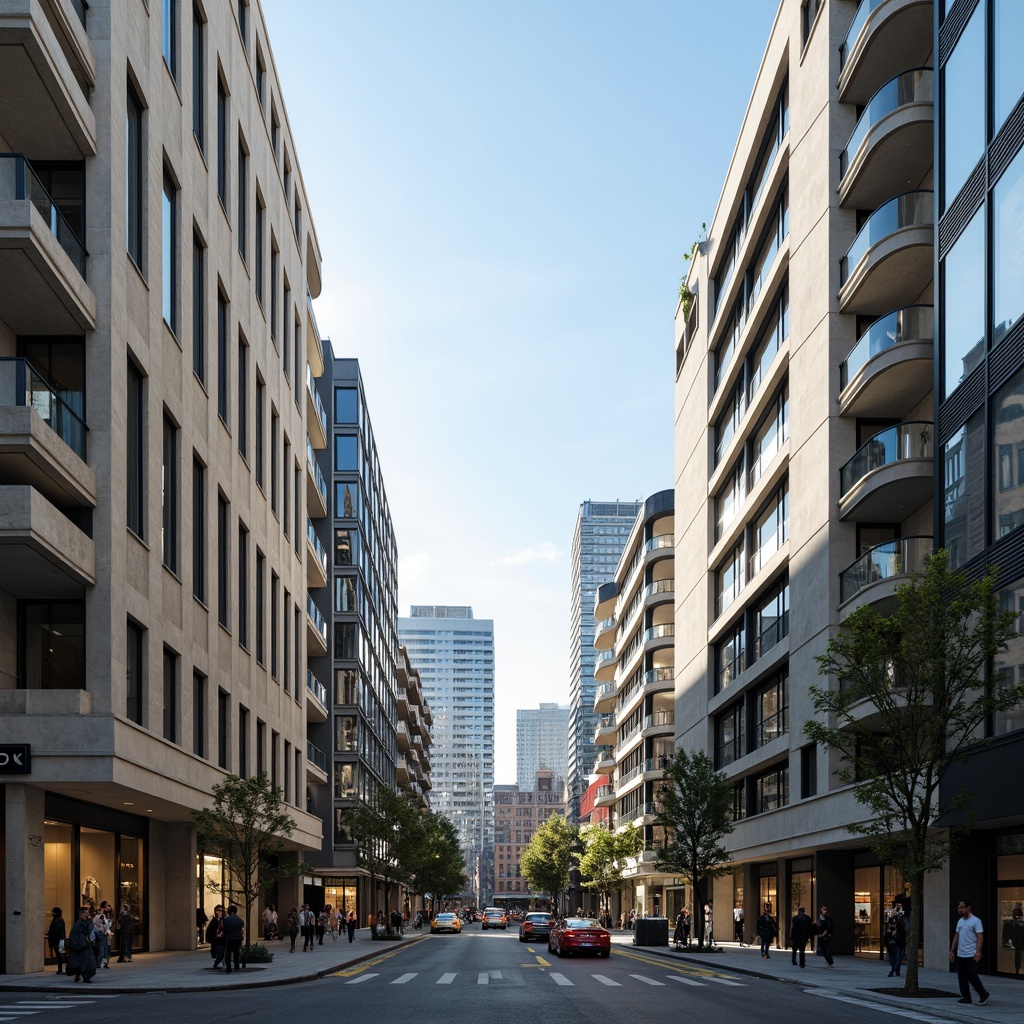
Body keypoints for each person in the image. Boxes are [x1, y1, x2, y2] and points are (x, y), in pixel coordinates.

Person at [949, 899, 990, 1005]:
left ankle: (983, 994)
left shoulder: (976, 921)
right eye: (959, 907)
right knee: (961, 977)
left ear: (969, 908)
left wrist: (978, 952)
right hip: (961, 953)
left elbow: (980, 937)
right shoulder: (960, 921)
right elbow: (957, 935)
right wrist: (952, 950)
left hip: (971, 954)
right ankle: (966, 997)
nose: (959, 909)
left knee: (972, 976)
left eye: (962, 907)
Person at [66, 906, 98, 983]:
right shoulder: (78, 924)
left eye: (88, 913)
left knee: (86, 962)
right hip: (81, 946)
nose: (88, 914)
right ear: (81, 914)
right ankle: (82, 976)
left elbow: (89, 930)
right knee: (81, 962)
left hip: (85, 946)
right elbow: (75, 935)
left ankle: (84, 976)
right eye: (86, 913)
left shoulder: (86, 922)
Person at [884, 910, 905, 978]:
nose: (892, 925)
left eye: (894, 924)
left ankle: (893, 971)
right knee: (891, 960)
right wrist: (889, 933)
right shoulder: (889, 931)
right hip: (891, 947)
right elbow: (886, 938)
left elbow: (901, 939)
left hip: (897, 946)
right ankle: (896, 970)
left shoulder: (901, 931)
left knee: (897, 960)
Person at [92, 901, 112, 969]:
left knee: (106, 948)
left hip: (105, 933)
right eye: (107, 906)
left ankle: (105, 963)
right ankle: (100, 963)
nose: (108, 907)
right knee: (102, 949)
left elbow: (107, 924)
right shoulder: (99, 916)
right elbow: (96, 924)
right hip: (101, 933)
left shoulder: (107, 915)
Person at [47, 907, 66, 975]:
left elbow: (59, 931)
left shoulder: (58, 920)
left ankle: (60, 969)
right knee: (58, 955)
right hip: (56, 940)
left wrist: (60, 940)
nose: (52, 913)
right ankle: (60, 969)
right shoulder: (56, 920)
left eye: (54, 912)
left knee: (59, 955)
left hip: (57, 940)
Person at [1009, 906, 1024, 975]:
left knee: (1018, 956)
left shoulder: (1013, 924)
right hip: (1017, 943)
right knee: (1017, 956)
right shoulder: (1013, 923)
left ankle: (1017, 970)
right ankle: (1017, 970)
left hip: (1018, 943)